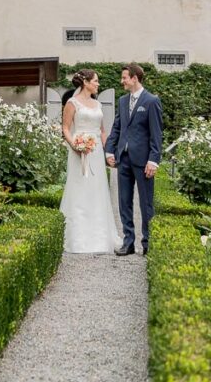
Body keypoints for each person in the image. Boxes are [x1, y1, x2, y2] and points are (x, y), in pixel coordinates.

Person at [59, 69, 122, 253]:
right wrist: (75, 146)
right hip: (78, 151)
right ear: (85, 82)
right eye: (95, 81)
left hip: (94, 152)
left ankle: (100, 238)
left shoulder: (98, 104)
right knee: (79, 189)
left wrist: (108, 151)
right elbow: (65, 128)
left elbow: (102, 131)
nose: (98, 84)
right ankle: (77, 238)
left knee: (98, 190)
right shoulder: (72, 103)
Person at [104, 63, 163, 256]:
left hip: (143, 160)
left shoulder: (151, 101)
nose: (122, 81)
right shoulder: (122, 101)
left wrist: (153, 160)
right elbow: (117, 127)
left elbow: (156, 134)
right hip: (124, 159)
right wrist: (110, 151)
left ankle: (147, 243)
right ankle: (128, 242)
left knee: (146, 204)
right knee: (123, 202)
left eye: (124, 78)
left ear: (135, 78)